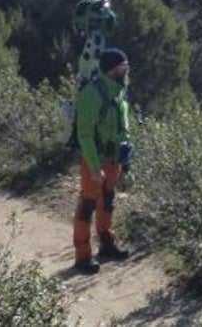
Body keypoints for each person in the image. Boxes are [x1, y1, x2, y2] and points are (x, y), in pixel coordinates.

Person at [73, 47, 133, 274]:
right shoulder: (92, 93)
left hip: (114, 158)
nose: (126, 68)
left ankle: (107, 244)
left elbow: (122, 126)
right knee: (87, 205)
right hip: (94, 160)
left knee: (107, 201)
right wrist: (95, 167)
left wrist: (126, 157)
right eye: (122, 65)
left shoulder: (120, 90)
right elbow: (84, 134)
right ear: (111, 69)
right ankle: (83, 256)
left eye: (126, 64)